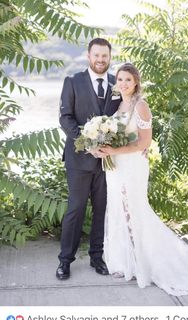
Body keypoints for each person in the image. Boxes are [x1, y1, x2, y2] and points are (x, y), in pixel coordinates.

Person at [100, 63, 188, 296]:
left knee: (134, 209)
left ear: (136, 82)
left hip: (132, 165)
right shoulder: (117, 105)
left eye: (128, 79)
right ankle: (126, 261)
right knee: (119, 208)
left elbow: (143, 144)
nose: (123, 83)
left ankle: (145, 262)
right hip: (115, 167)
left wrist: (113, 151)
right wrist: (101, 148)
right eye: (120, 79)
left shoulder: (141, 106)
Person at [56, 38, 121, 280]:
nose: (101, 60)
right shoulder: (73, 82)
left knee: (103, 210)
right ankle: (65, 261)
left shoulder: (118, 83)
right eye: (97, 55)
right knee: (75, 210)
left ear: (109, 57)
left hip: (108, 163)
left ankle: (97, 257)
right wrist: (88, 144)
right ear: (89, 56)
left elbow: (122, 120)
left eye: (105, 56)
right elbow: (65, 118)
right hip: (79, 161)